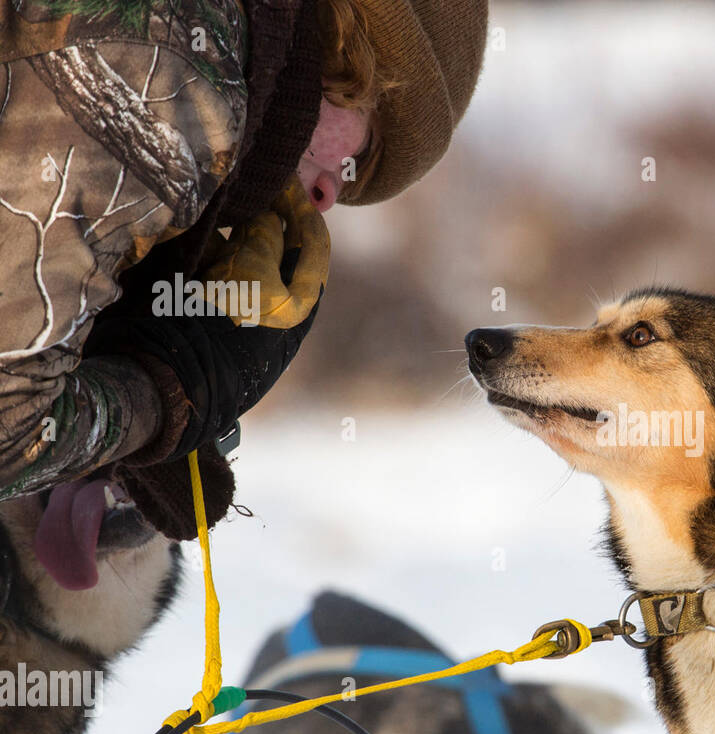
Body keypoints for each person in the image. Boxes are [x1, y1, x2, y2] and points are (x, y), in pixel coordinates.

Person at [0, 0, 487, 584]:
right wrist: (168, 394)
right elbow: (13, 427)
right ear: (352, 61)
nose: (330, 195)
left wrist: (106, 321)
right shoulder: (179, 76)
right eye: (362, 151)